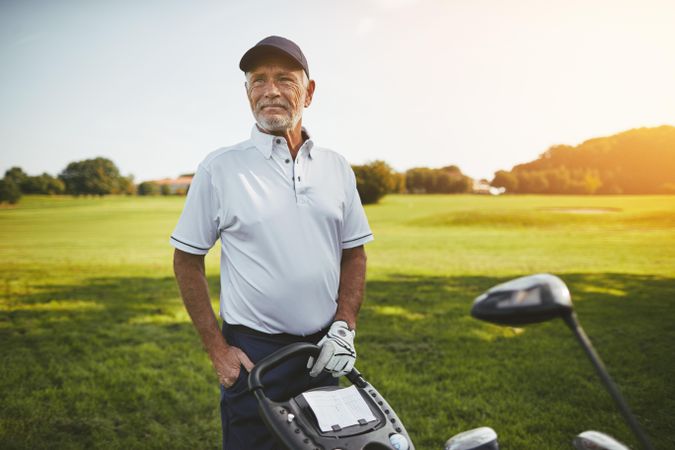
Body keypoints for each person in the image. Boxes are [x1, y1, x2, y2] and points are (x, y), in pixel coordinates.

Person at [170, 35, 374, 450]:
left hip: (323, 351)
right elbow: (186, 259)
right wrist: (217, 349)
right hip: (254, 357)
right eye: (257, 81)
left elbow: (354, 252)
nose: (270, 91)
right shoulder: (220, 168)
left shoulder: (336, 168)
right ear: (247, 93)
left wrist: (344, 325)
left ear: (309, 92)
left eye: (285, 79)